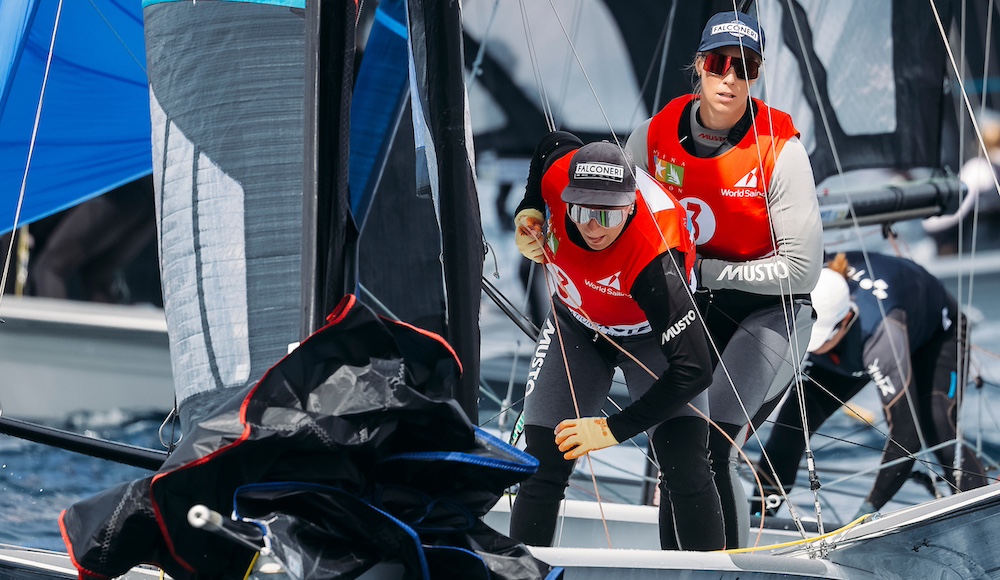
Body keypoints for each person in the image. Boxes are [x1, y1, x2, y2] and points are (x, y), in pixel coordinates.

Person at [625, 10, 823, 548]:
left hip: (769, 311)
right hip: (691, 311)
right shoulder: (653, 136)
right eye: (719, 63)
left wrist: (708, 270)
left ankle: (725, 567)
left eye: (746, 66)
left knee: (713, 445)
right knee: (676, 445)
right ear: (699, 67)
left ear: (756, 74)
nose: (731, 78)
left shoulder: (781, 148)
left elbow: (804, 268)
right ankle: (682, 568)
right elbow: (612, 217)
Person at [508, 132, 724, 551]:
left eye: (607, 215)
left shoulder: (656, 259)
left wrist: (612, 429)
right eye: (581, 210)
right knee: (541, 465)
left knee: (685, 468)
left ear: (631, 207)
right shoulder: (559, 178)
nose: (592, 226)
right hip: (575, 328)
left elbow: (695, 369)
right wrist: (528, 208)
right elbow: (550, 143)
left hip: (650, 341)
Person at [757, 251, 988, 519]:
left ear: (845, 322)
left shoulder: (881, 336)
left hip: (934, 334)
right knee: (792, 425)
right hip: (857, 339)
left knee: (936, 425)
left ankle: (981, 516)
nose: (811, 349)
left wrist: (865, 514)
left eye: (817, 341)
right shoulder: (809, 281)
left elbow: (906, 437)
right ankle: (760, 517)